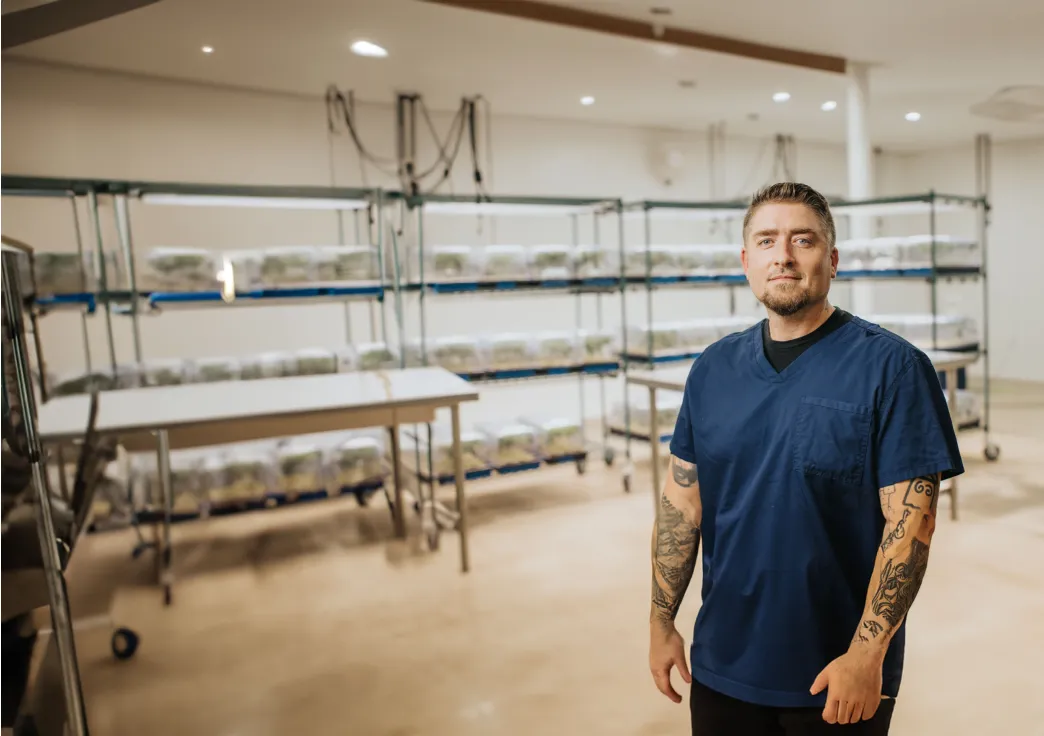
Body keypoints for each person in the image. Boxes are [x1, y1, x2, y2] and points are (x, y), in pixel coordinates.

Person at [648, 182, 963, 735]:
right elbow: (683, 504)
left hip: (835, 674)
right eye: (767, 241)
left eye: (804, 240)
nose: (784, 256)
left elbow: (911, 524)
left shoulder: (892, 369)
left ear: (833, 260)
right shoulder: (713, 370)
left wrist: (867, 655)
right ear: (747, 262)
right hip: (723, 662)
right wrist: (660, 619)